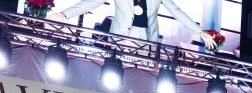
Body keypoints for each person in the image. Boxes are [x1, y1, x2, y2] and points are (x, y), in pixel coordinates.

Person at [49, 0, 217, 50]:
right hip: (122, 36)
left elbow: (177, 11)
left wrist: (200, 32)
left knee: (142, 74)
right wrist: (65, 13)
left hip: (147, 37)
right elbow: (93, 1)